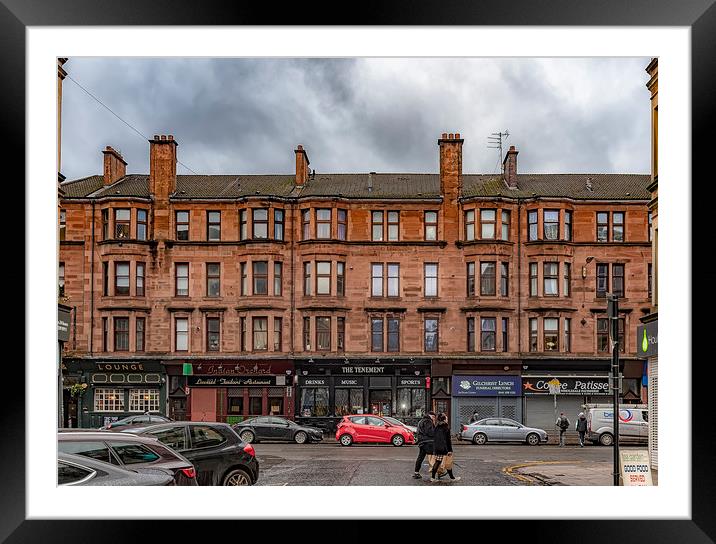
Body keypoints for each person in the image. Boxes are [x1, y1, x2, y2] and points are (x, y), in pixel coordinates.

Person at [430, 413, 460, 482]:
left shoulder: (437, 426)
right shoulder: (446, 427)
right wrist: (449, 450)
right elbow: (448, 440)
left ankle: (433, 477)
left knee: (437, 462)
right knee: (448, 462)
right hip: (444, 448)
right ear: (444, 419)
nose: (447, 419)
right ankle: (452, 478)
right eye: (446, 418)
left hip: (437, 447)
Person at [413, 411, 436, 479]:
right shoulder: (428, 421)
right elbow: (430, 432)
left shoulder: (421, 421)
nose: (434, 419)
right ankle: (438, 472)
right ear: (430, 416)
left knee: (420, 457)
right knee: (438, 454)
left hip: (422, 442)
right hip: (428, 442)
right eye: (434, 417)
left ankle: (416, 473)